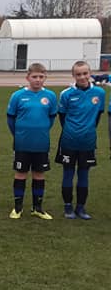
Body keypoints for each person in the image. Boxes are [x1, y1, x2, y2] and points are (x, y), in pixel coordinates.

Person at [6, 62, 58, 219]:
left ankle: (37, 208)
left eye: (41, 76)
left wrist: (41, 130)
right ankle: (18, 208)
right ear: (27, 77)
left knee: (39, 174)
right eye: (35, 76)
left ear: (45, 78)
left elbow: (51, 118)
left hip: (41, 143)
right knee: (20, 174)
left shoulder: (50, 96)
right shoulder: (17, 96)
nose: (38, 80)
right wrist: (19, 134)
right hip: (22, 143)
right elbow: (11, 119)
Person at [56, 61, 104, 219]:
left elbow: (97, 116)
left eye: (85, 73)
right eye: (78, 74)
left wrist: (87, 130)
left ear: (90, 73)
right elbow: (62, 117)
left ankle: (81, 208)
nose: (82, 77)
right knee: (68, 174)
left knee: (84, 175)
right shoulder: (66, 94)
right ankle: (68, 207)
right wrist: (72, 131)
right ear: (73, 75)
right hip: (69, 141)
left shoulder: (99, 93)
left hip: (88, 141)